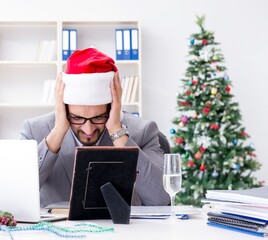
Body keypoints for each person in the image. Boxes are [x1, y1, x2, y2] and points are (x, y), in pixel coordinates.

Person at [20, 47, 170, 208]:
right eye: (77, 117)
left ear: (112, 107)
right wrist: (58, 132)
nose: (88, 129)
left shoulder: (144, 131)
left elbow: (160, 198)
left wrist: (117, 132)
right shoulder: (33, 130)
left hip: (124, 232)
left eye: (98, 117)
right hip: (56, 232)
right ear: (63, 107)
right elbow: (19, 194)